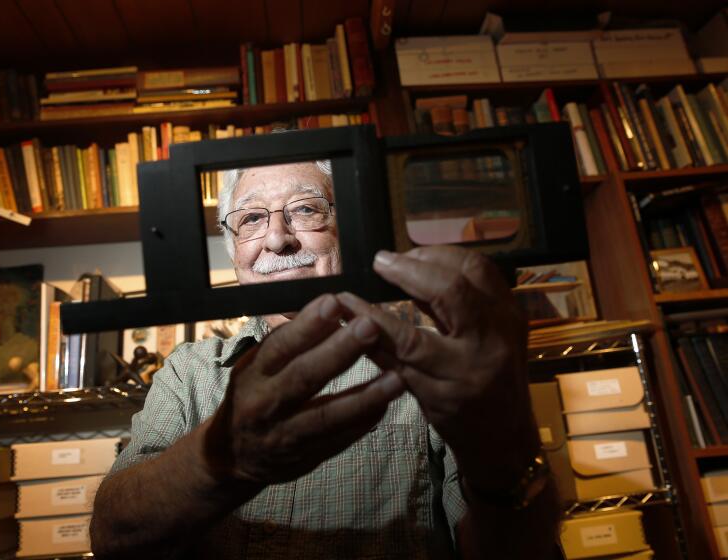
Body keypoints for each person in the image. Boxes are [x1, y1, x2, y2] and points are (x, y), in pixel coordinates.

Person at [90, 159, 561, 559]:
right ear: (233, 249)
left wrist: (504, 440)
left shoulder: (430, 360)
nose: (277, 240)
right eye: (251, 218)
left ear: (349, 230)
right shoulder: (190, 371)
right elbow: (113, 536)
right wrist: (222, 459)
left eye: (306, 210)